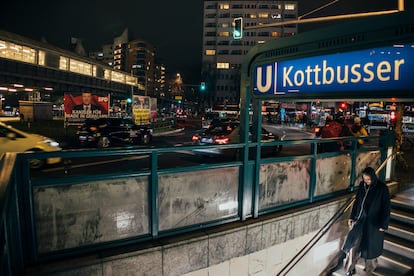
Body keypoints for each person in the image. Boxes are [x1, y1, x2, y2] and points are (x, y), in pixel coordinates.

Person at [344, 167, 391, 276]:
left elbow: (386, 207)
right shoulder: (362, 186)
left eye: (368, 179)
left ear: (373, 177)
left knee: (371, 248)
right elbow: (357, 202)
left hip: (373, 223)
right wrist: (352, 216)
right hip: (359, 220)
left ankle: (370, 269)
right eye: (365, 179)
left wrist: (384, 224)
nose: (366, 181)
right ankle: (349, 269)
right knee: (353, 245)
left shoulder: (382, 188)